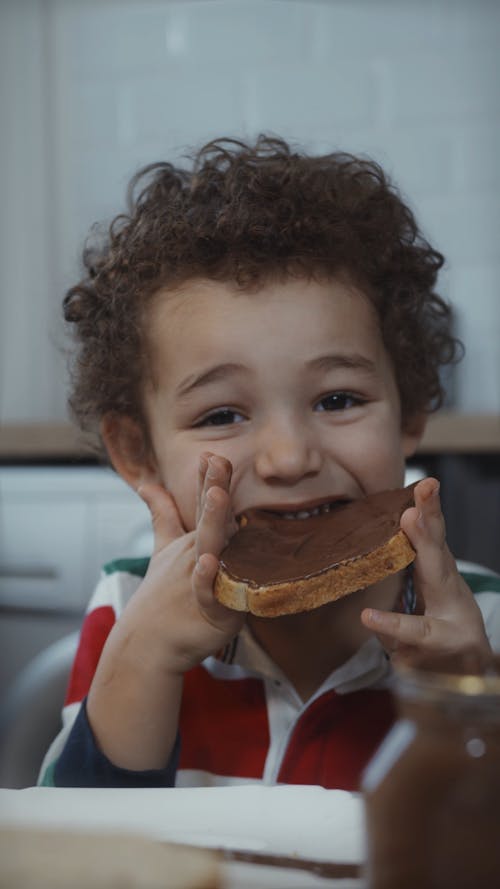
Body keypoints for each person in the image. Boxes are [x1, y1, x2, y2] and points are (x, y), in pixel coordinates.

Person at [39, 136, 500, 789]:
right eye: (222, 414)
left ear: (411, 413)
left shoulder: (482, 624)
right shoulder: (125, 610)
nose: (289, 458)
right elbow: (77, 859)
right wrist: (142, 661)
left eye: (337, 399)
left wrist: (469, 702)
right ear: (137, 452)